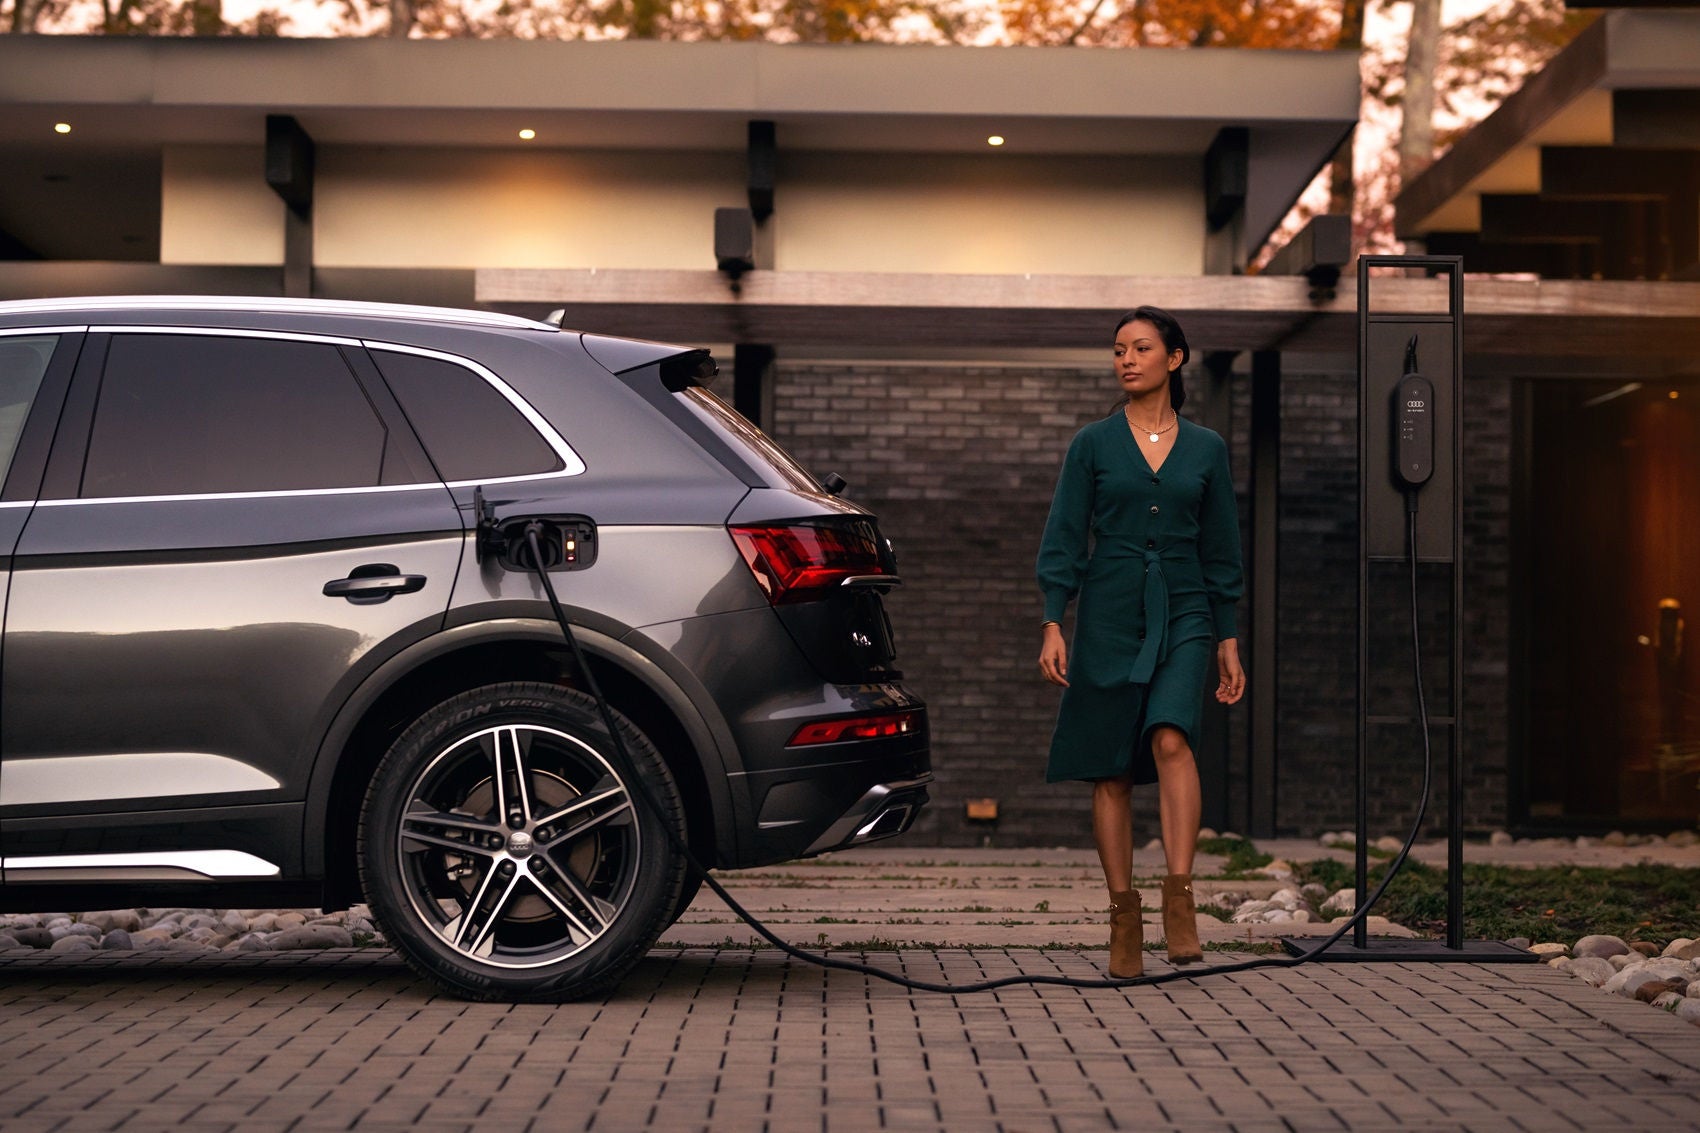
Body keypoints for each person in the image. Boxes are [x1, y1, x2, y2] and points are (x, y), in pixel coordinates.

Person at [1036, 306, 1245, 979]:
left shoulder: (1207, 448)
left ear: (1175, 358)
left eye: (1141, 347)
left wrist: (1229, 636)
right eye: (1118, 349)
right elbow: (1065, 534)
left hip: (1185, 607)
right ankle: (1124, 915)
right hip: (1107, 612)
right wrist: (1052, 619)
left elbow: (1222, 548)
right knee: (1112, 768)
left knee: (1171, 736)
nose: (1126, 359)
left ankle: (1178, 896)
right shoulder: (1092, 445)